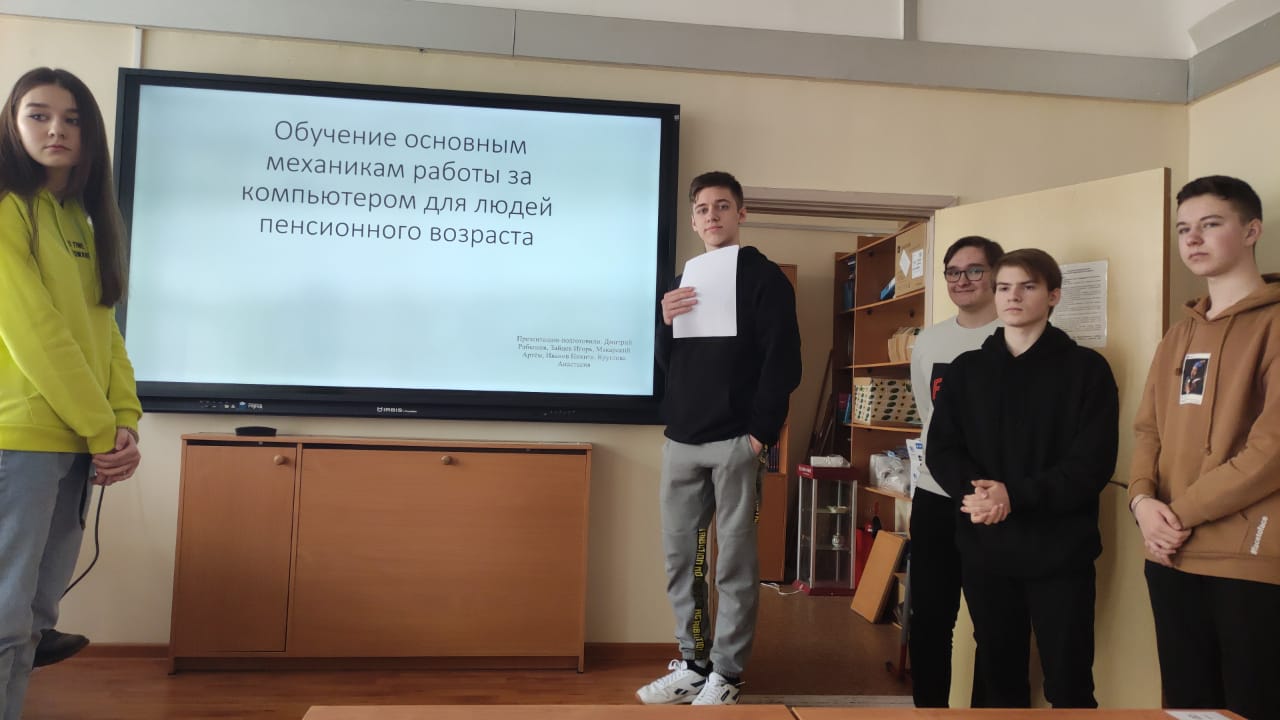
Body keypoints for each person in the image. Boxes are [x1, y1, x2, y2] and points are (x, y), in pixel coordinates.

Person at [0, 67, 143, 718]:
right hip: (20, 440)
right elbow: (36, 333)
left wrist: (124, 420)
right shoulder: (8, 208)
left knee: (33, 618)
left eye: (73, 118)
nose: (56, 129)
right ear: (13, 123)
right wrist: (101, 429)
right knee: (5, 619)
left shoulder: (84, 222)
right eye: (39, 114)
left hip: (78, 442)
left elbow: (104, 335)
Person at [926, 248, 1117, 708]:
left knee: (1069, 683)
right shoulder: (968, 370)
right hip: (987, 549)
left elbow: (1091, 464)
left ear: (1053, 296)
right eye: (1004, 287)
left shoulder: (1086, 369)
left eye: (1027, 286)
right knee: (999, 680)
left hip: (1061, 552)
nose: (1013, 296)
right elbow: (942, 450)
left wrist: (1015, 495)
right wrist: (977, 494)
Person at [636, 171, 801, 706]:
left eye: (723, 206)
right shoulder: (682, 280)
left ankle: (726, 675)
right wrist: (664, 323)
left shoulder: (765, 278)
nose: (712, 216)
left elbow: (783, 363)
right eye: (703, 208)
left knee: (734, 565)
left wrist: (759, 436)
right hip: (681, 441)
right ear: (693, 219)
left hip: (736, 443)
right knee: (681, 561)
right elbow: (671, 366)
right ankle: (694, 663)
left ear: (741, 213)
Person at [1129, 175, 1280, 720]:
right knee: (1188, 709)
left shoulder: (1275, 324)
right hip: (1168, 554)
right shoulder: (1179, 333)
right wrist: (1142, 502)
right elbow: (1148, 430)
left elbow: (1272, 451)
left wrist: (1175, 514)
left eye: (1210, 224)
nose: (1192, 239)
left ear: (1251, 231)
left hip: (1248, 560)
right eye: (1183, 229)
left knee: (1253, 707)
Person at [907, 235, 1003, 708]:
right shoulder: (929, 340)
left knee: (995, 623)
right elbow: (929, 414)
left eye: (975, 270)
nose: (962, 280)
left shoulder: (1013, 333)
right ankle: (929, 712)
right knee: (928, 618)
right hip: (934, 497)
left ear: (996, 275)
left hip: (993, 502)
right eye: (952, 272)